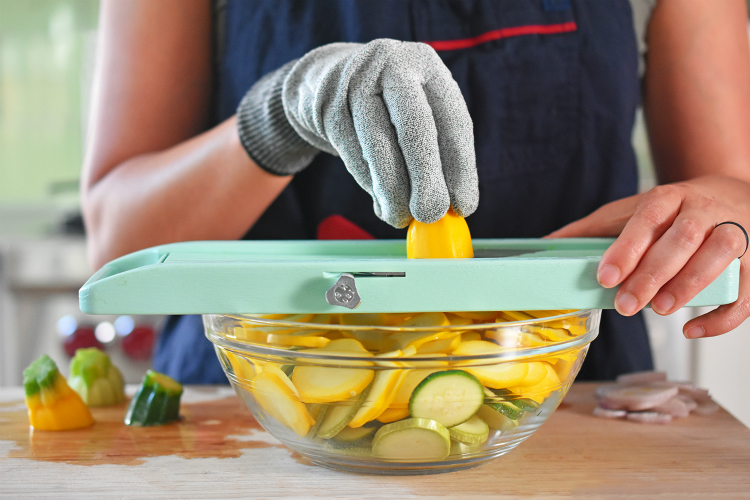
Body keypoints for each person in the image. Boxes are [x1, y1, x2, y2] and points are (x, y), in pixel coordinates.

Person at [80, 0, 750, 383]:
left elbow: (732, 189)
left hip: (562, 401)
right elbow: (118, 240)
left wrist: (725, 215)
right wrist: (279, 118)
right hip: (250, 412)